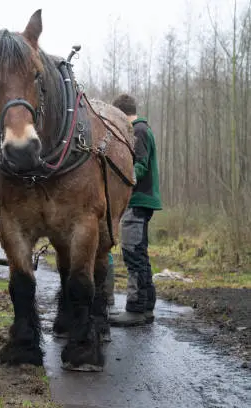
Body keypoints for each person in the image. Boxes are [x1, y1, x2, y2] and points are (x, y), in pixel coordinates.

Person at [108, 93, 162, 327]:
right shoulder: (142, 129)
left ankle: (135, 309)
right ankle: (147, 307)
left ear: (121, 114)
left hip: (138, 200)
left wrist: (119, 179)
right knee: (140, 253)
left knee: (133, 254)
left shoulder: (138, 130)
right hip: (143, 200)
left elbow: (139, 165)